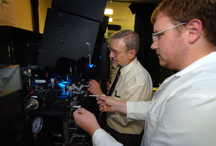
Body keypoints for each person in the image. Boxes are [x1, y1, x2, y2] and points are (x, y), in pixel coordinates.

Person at [73, 0, 216, 145]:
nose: (153, 45)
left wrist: (94, 130)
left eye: (159, 35)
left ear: (193, 31)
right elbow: (157, 108)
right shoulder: (183, 78)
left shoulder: (202, 96)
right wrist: (117, 105)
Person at [87, 29, 153, 146]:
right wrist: (109, 90)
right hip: (112, 129)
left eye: (115, 52)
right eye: (110, 50)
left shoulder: (138, 80)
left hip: (126, 137)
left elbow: (126, 119)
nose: (111, 55)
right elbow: (120, 96)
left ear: (131, 54)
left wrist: (100, 94)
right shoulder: (122, 67)